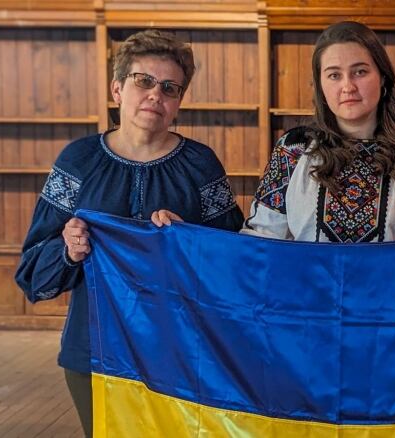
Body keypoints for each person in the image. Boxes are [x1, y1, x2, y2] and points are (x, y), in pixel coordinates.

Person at [14, 29, 244, 436]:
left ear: (179, 102)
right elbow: (33, 274)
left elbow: (235, 263)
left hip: (182, 356)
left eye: (170, 87)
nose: (156, 94)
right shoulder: (78, 161)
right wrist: (69, 250)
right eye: (144, 81)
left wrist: (188, 241)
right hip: (95, 353)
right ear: (117, 89)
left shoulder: (200, 165)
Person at [243, 21, 395, 245]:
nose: (348, 86)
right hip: (309, 281)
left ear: (383, 78)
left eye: (360, 72)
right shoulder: (292, 149)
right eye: (334, 75)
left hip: (394, 281)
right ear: (320, 86)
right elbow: (260, 242)